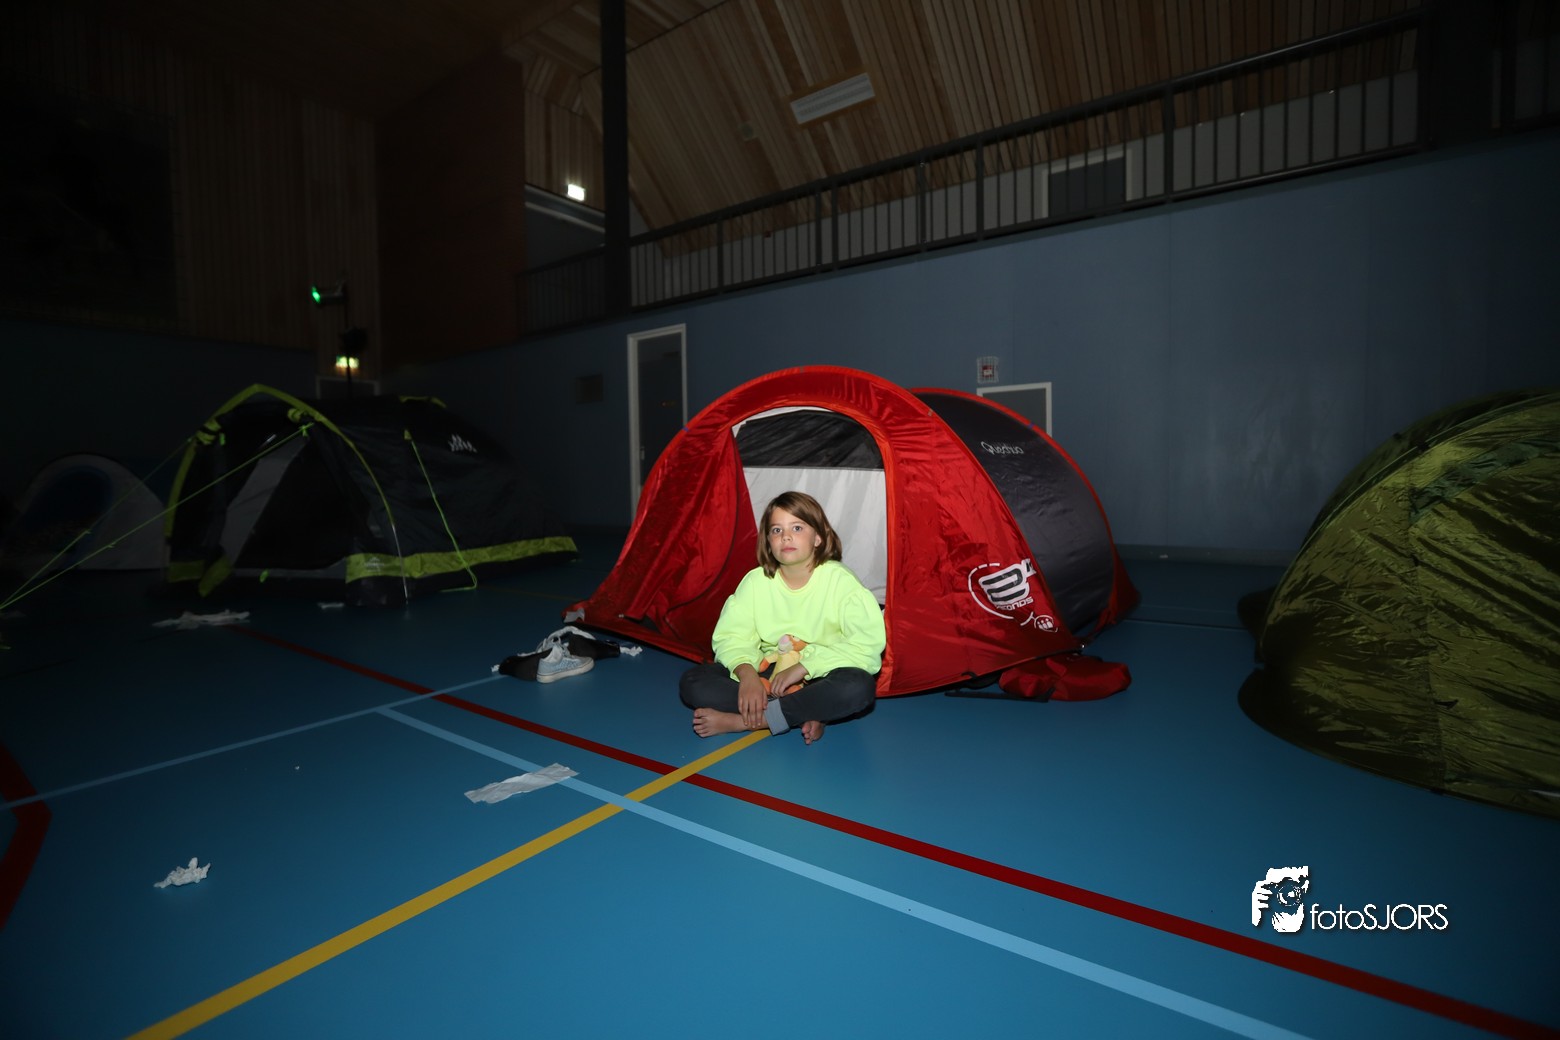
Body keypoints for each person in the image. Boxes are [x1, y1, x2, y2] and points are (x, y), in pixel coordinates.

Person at [679, 491, 885, 745]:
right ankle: (809, 711)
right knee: (693, 683)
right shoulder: (755, 582)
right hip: (770, 674)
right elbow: (731, 637)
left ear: (818, 537)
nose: (786, 536)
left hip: (820, 675)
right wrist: (748, 676)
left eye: (797, 528)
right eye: (776, 530)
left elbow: (866, 645)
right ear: (768, 541)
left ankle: (751, 721)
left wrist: (804, 667)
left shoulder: (842, 583)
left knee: (859, 687)